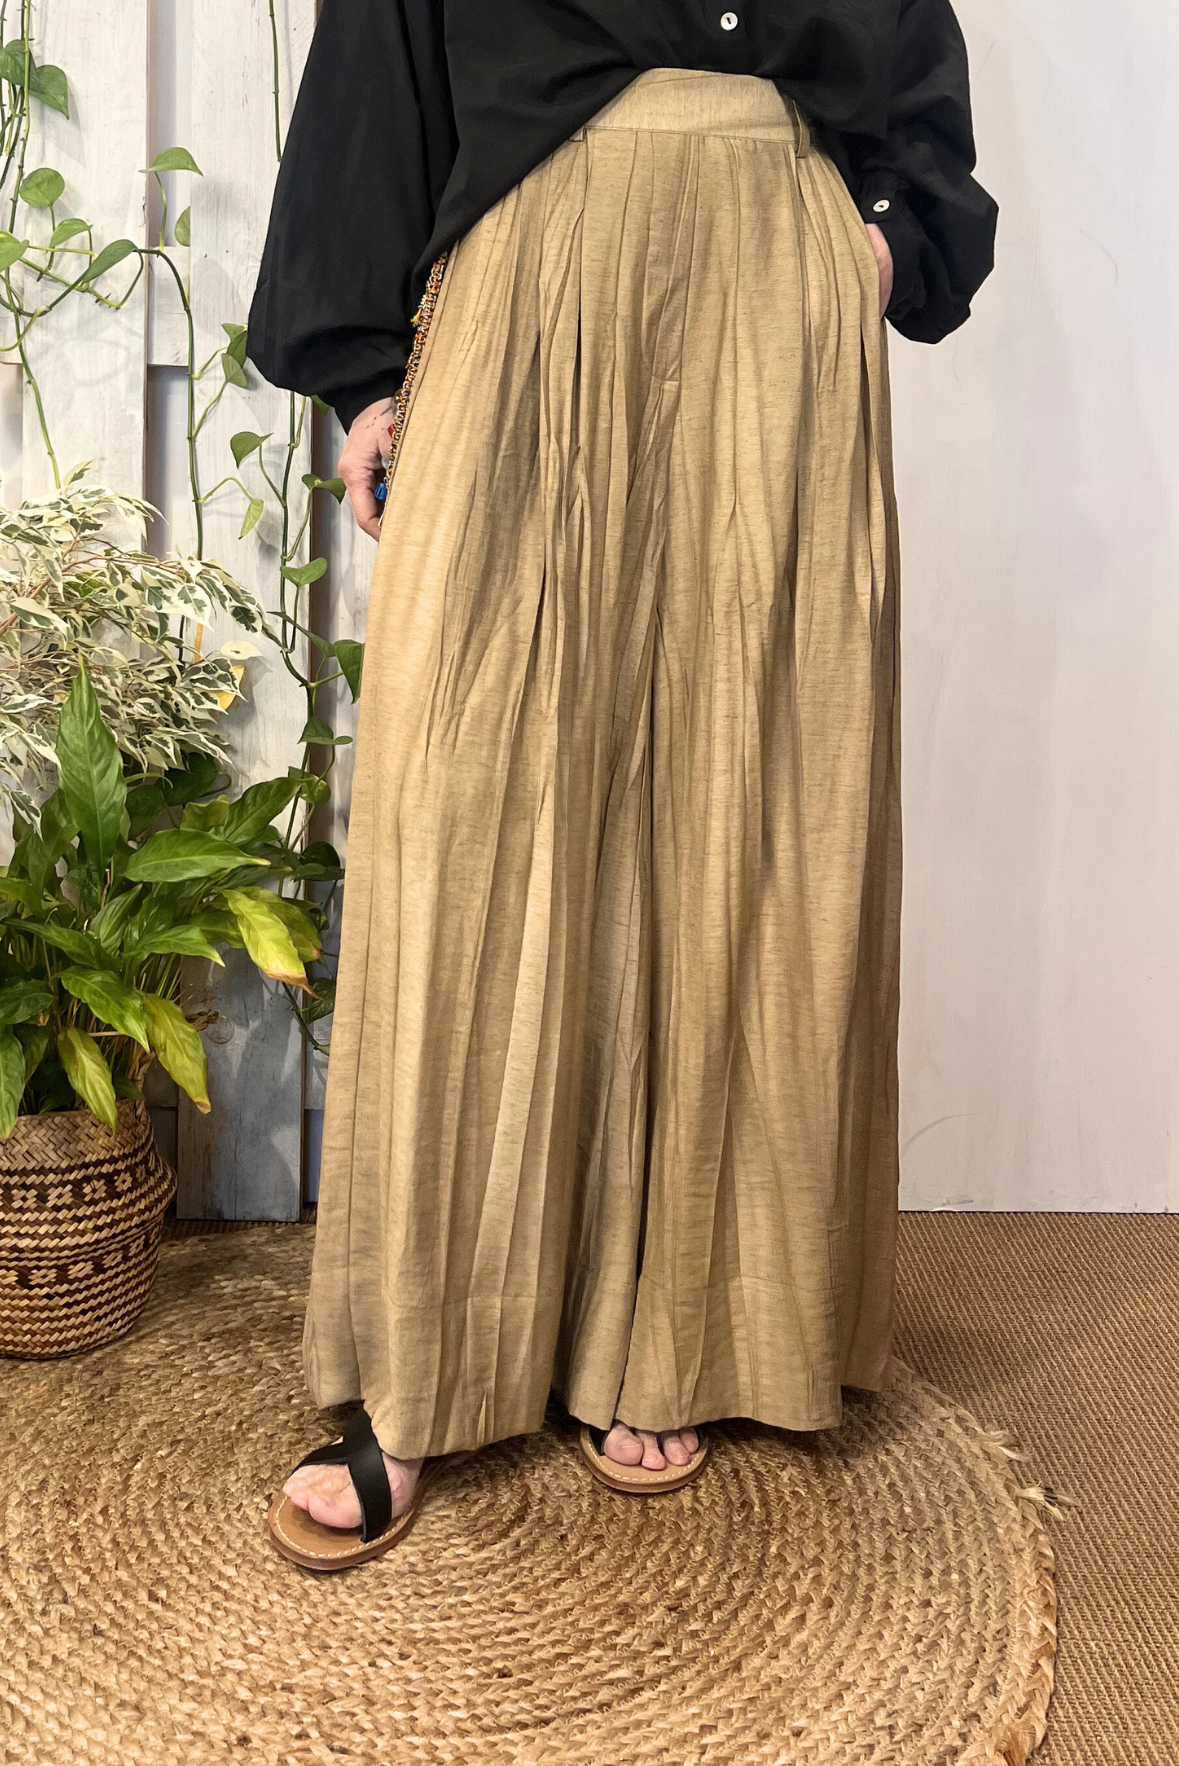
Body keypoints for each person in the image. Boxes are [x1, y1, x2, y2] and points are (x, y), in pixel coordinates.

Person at [247, 0, 997, 1572]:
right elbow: (383, 44)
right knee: (467, 814)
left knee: (743, 809)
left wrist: (868, 246)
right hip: (527, 279)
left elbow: (905, 58)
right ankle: (423, 1362)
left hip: (772, 283)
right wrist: (366, 373)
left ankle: (681, 1330)